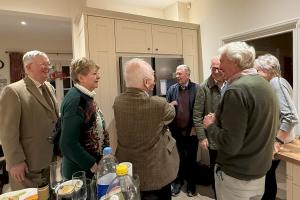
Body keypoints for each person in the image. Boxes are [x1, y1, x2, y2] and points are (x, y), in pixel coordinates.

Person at [203, 41, 279, 200]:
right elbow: (262, 123)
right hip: (259, 173)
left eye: (222, 61)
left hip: (236, 178)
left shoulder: (236, 90)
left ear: (235, 62)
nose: (219, 65)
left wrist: (210, 126)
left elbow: (230, 144)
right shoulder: (265, 85)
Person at [113, 58, 179, 200]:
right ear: (147, 83)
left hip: (128, 173)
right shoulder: (158, 104)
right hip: (155, 175)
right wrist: (170, 104)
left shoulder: (118, 102)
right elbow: (171, 113)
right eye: (153, 78)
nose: (155, 81)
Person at [0, 50, 59, 190]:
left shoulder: (49, 87)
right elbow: (7, 132)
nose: (47, 67)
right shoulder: (13, 91)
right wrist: (15, 162)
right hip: (28, 164)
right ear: (28, 67)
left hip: (50, 159)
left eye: (48, 64)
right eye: (42, 64)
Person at [254, 53, 299, 200]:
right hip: (275, 139)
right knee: (268, 175)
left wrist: (277, 142)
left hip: (278, 141)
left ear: (266, 70)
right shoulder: (275, 83)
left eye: (257, 71)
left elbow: (291, 116)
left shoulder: (276, 83)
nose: (256, 75)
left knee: (267, 176)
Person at [59, 57, 109, 180]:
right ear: (81, 77)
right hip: (79, 172)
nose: (98, 76)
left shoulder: (85, 96)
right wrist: (91, 163)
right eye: (94, 73)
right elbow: (67, 143)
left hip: (87, 169)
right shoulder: (76, 100)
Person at [193, 56, 225, 199]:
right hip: (213, 138)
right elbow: (197, 114)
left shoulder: (231, 83)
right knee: (216, 169)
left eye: (219, 68)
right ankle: (217, 194)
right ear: (210, 68)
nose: (216, 71)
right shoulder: (203, 87)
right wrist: (202, 137)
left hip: (229, 136)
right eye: (214, 68)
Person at [166, 64, 198, 197]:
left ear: (188, 74)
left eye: (180, 73)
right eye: (176, 73)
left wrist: (196, 127)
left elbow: (199, 110)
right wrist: (169, 105)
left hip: (192, 131)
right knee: (177, 158)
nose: (177, 76)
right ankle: (178, 182)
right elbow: (166, 110)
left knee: (191, 158)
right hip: (176, 131)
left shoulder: (197, 89)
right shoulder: (172, 89)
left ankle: (191, 184)